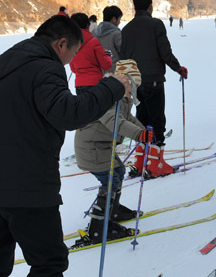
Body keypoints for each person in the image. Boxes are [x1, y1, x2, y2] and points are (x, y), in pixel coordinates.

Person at [0, 15, 131, 276]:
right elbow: (69, 114)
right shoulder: (44, 68)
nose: (72, 61)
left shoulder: (7, 63)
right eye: (73, 52)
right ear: (61, 44)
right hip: (28, 187)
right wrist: (112, 86)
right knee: (49, 263)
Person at [74, 59, 152, 244]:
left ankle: (113, 210)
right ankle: (98, 227)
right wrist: (139, 134)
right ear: (124, 82)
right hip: (91, 147)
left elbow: (127, 117)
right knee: (110, 180)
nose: (134, 90)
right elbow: (114, 121)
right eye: (134, 86)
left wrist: (143, 131)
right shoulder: (107, 97)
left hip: (102, 146)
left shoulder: (122, 98)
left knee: (118, 171)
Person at [120, 0, 187, 178]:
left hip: (135, 83)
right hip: (154, 80)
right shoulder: (156, 24)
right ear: (150, 6)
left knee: (141, 120)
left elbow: (123, 58)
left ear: (135, 7)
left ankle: (141, 161)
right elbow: (164, 51)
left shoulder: (126, 29)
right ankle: (155, 164)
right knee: (157, 121)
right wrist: (178, 68)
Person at [69, 12, 112, 94]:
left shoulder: (71, 45)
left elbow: (73, 69)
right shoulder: (94, 42)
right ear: (88, 26)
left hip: (79, 84)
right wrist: (108, 55)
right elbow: (106, 65)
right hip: (95, 84)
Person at [93, 5, 123, 73]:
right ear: (114, 19)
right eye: (119, 19)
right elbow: (123, 52)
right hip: (115, 73)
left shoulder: (93, 33)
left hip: (98, 71)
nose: (119, 22)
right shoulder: (116, 34)